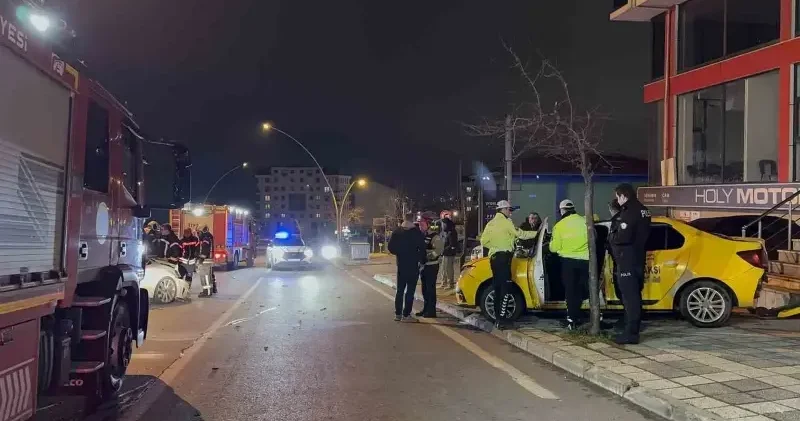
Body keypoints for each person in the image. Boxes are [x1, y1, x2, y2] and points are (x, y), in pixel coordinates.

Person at [480, 200, 538, 330]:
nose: (510, 212)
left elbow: (483, 241)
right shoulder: (506, 222)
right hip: (504, 258)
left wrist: (495, 247)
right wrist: (537, 234)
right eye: (509, 210)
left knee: (498, 288)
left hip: (494, 258)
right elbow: (520, 234)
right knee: (505, 288)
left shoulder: (491, 223)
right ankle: (502, 320)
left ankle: (497, 319)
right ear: (504, 210)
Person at [609, 183, 651, 345]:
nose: (617, 200)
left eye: (617, 196)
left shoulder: (628, 213)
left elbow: (622, 237)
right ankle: (630, 326)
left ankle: (631, 333)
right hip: (638, 257)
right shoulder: (643, 209)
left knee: (630, 297)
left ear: (623, 195)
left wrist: (612, 238)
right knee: (634, 295)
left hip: (627, 258)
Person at [549, 199, 590, 330]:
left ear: (562, 211)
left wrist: (548, 245)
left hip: (568, 263)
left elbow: (555, 248)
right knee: (584, 289)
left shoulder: (559, 226)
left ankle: (572, 319)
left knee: (571, 291)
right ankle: (590, 316)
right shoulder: (585, 221)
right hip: (585, 261)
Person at [388, 214, 427, 322]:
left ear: (404, 219)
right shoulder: (416, 232)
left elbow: (390, 247)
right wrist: (421, 259)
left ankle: (398, 314)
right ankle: (406, 314)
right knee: (410, 291)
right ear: (412, 220)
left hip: (401, 264)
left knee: (400, 290)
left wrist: (399, 253)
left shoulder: (397, 232)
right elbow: (422, 248)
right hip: (413, 265)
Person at [417, 213, 444, 318]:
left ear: (428, 224)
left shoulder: (434, 236)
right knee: (424, 289)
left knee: (430, 289)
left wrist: (428, 256)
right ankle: (426, 308)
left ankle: (432, 311)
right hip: (423, 266)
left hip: (431, 266)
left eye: (422, 224)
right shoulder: (422, 236)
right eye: (419, 224)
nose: (420, 226)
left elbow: (439, 250)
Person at [439, 211, 459, 289]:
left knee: (448, 269)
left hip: (449, 253)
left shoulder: (452, 232)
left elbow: (452, 244)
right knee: (444, 268)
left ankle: (450, 284)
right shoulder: (447, 232)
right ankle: (444, 283)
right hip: (445, 253)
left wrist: (444, 250)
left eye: (444, 224)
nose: (443, 225)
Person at [198, 226, 218, 295]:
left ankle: (207, 292)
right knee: (210, 275)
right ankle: (212, 289)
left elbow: (204, 251)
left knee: (205, 277)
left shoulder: (205, 239)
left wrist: (201, 259)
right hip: (208, 259)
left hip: (205, 260)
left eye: (199, 232)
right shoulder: (209, 237)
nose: (198, 234)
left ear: (202, 232)